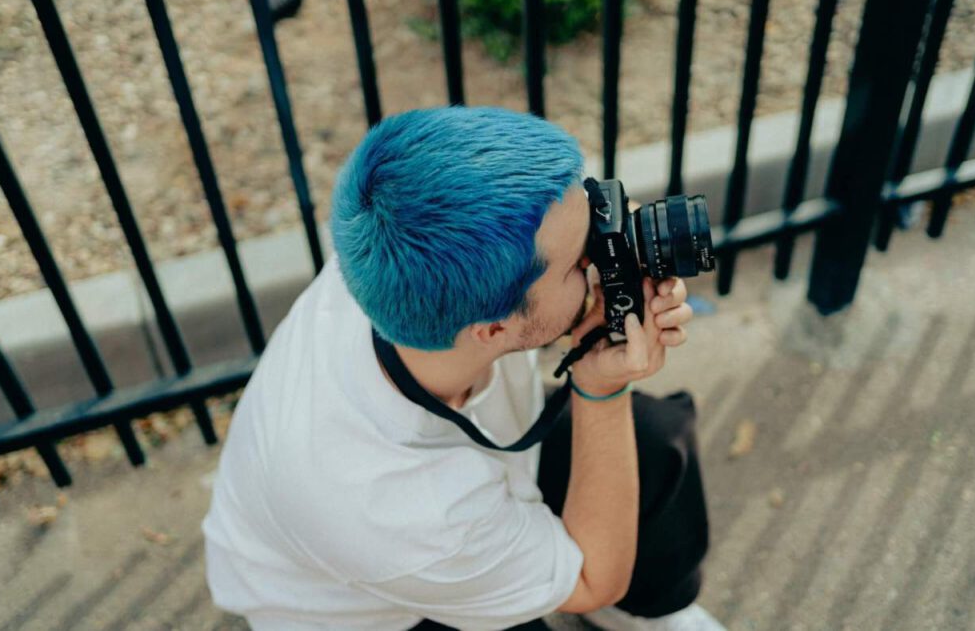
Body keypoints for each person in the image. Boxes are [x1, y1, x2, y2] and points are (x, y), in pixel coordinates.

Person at [202, 106, 724, 631]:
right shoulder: (401, 510)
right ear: (494, 329)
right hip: (375, 608)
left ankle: (648, 611)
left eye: (592, 210)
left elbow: (553, 230)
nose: (598, 258)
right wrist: (600, 391)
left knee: (658, 446)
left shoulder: (402, 245)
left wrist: (620, 242)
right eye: (579, 263)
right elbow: (593, 580)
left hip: (448, 493)